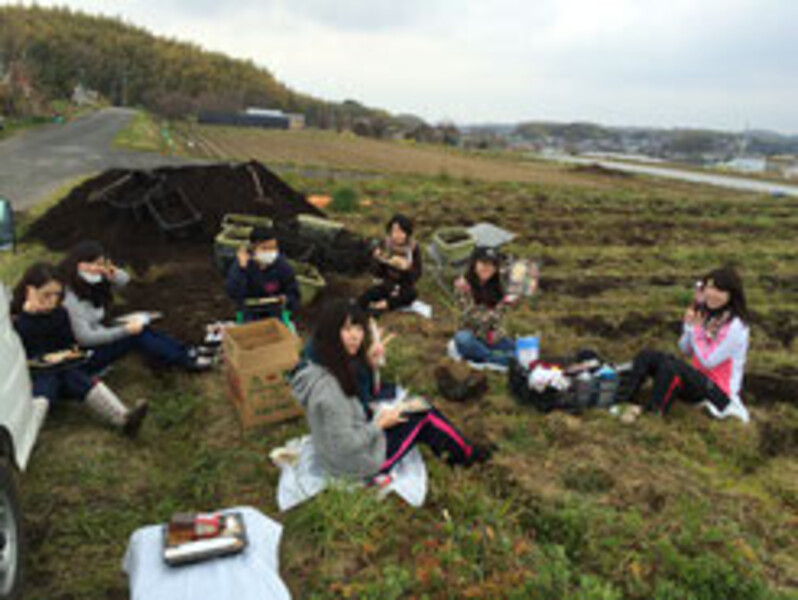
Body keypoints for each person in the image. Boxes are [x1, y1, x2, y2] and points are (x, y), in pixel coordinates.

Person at [291, 300, 491, 480]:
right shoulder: (330, 388)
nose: (355, 336)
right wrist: (379, 424)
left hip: (339, 453)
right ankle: (468, 456)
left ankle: (459, 452)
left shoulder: (324, 360)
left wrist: (368, 365)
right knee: (424, 413)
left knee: (414, 410)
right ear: (330, 332)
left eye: (359, 328)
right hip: (357, 465)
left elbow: (358, 397)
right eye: (346, 329)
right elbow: (345, 443)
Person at [11, 263, 148, 436]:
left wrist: (68, 354)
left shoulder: (60, 314)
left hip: (63, 369)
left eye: (57, 295)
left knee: (76, 377)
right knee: (47, 383)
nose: (52, 301)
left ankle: (124, 419)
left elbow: (69, 345)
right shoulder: (15, 321)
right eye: (46, 295)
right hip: (36, 379)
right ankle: (23, 437)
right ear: (30, 291)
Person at [619, 266, 751, 423]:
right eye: (709, 288)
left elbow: (708, 362)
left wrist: (695, 330)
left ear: (731, 295)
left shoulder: (736, 326)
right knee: (648, 356)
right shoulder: (708, 315)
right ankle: (624, 400)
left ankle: (654, 413)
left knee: (671, 367)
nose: (712, 294)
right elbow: (685, 349)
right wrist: (688, 327)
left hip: (718, 393)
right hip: (698, 380)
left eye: (719, 291)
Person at [59, 241, 211, 374]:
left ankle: (185, 351)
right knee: (136, 335)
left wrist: (112, 272)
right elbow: (85, 338)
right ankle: (184, 361)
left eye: (102, 264)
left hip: (100, 332)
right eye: (95, 264)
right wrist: (124, 331)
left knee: (142, 327)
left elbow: (124, 281)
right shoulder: (71, 299)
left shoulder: (90, 283)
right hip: (86, 355)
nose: (99, 269)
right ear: (80, 265)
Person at [451, 247, 517, 369]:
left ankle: (487, 355)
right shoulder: (463, 286)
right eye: (483, 263)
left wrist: (496, 332)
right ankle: (494, 358)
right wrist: (503, 306)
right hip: (470, 334)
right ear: (474, 263)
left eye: (492, 265)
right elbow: (472, 317)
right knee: (463, 340)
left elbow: (498, 321)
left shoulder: (496, 284)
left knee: (517, 347)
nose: (488, 268)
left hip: (490, 335)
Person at [225, 226, 300, 322]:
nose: (270, 252)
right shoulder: (242, 264)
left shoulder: (282, 266)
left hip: (275, 312)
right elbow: (233, 292)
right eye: (265, 248)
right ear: (253, 248)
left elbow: (294, 293)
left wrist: (286, 299)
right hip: (249, 312)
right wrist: (242, 268)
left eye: (273, 248)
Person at [358, 214, 422, 314]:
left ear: (407, 232)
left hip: (404, 285)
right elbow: (376, 273)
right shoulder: (385, 244)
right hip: (387, 282)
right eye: (394, 231)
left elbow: (417, 273)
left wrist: (408, 269)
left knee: (411, 294)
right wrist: (377, 260)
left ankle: (383, 305)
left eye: (401, 231)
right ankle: (365, 308)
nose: (397, 235)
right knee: (368, 295)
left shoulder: (413, 248)